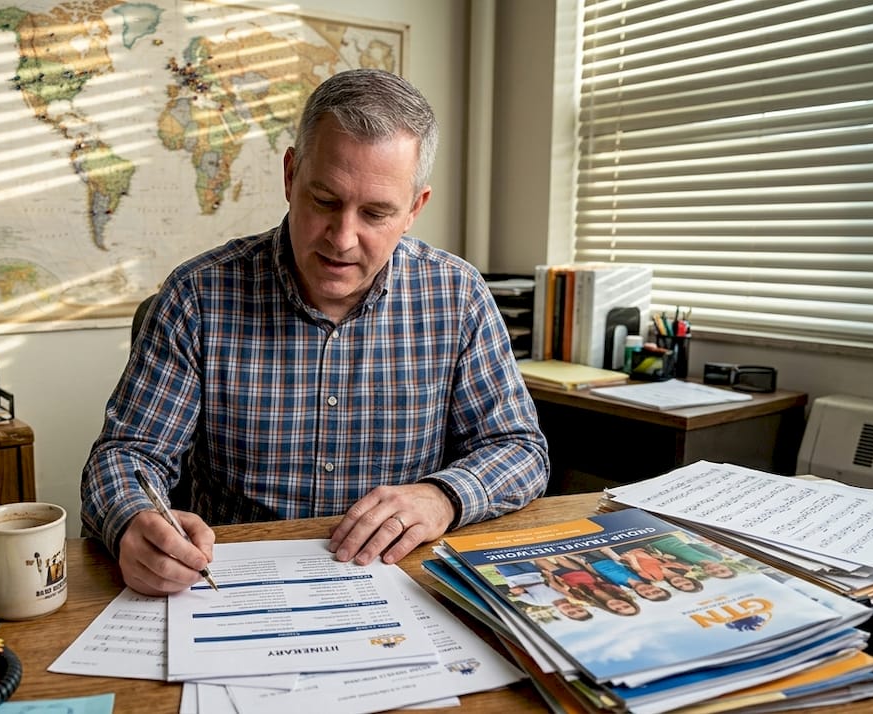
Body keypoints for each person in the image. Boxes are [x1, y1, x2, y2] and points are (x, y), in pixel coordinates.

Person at [81, 69, 549, 596]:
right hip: (231, 585)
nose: (343, 239)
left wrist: (443, 497)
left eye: (375, 213)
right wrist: (133, 520)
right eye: (324, 200)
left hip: (396, 586)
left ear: (415, 209)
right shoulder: (198, 295)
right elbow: (127, 454)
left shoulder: (457, 295)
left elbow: (520, 449)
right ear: (290, 175)